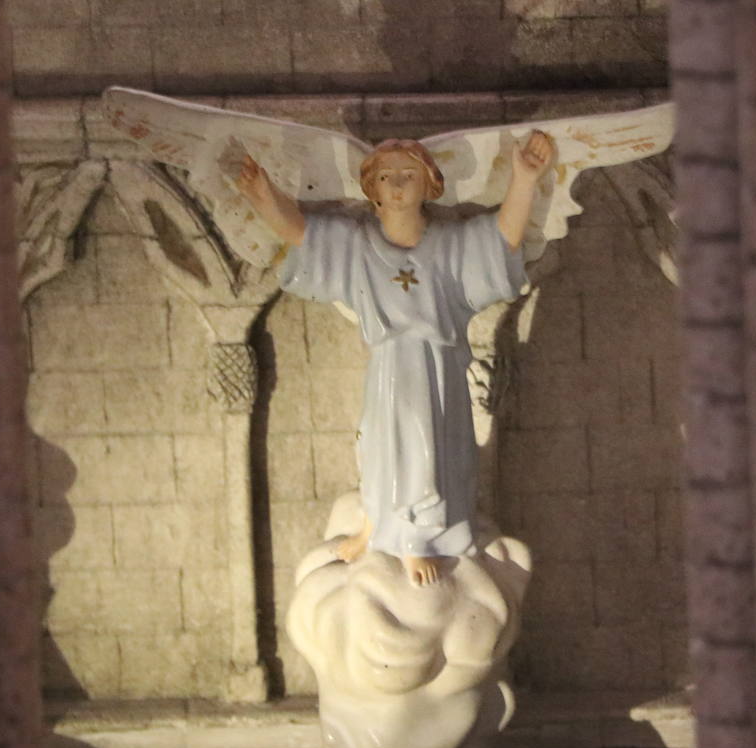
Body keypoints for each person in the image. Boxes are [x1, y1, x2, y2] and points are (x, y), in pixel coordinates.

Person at [227, 131, 555, 586]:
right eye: (386, 177)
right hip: (388, 367)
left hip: (436, 367)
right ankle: (377, 524)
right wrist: (265, 196)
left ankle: (418, 538)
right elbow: (301, 232)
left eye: (408, 175)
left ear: (429, 185)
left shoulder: (450, 244)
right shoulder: (360, 245)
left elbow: (502, 239)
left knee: (428, 448)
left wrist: (523, 178)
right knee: (379, 446)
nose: (397, 184)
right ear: (373, 191)